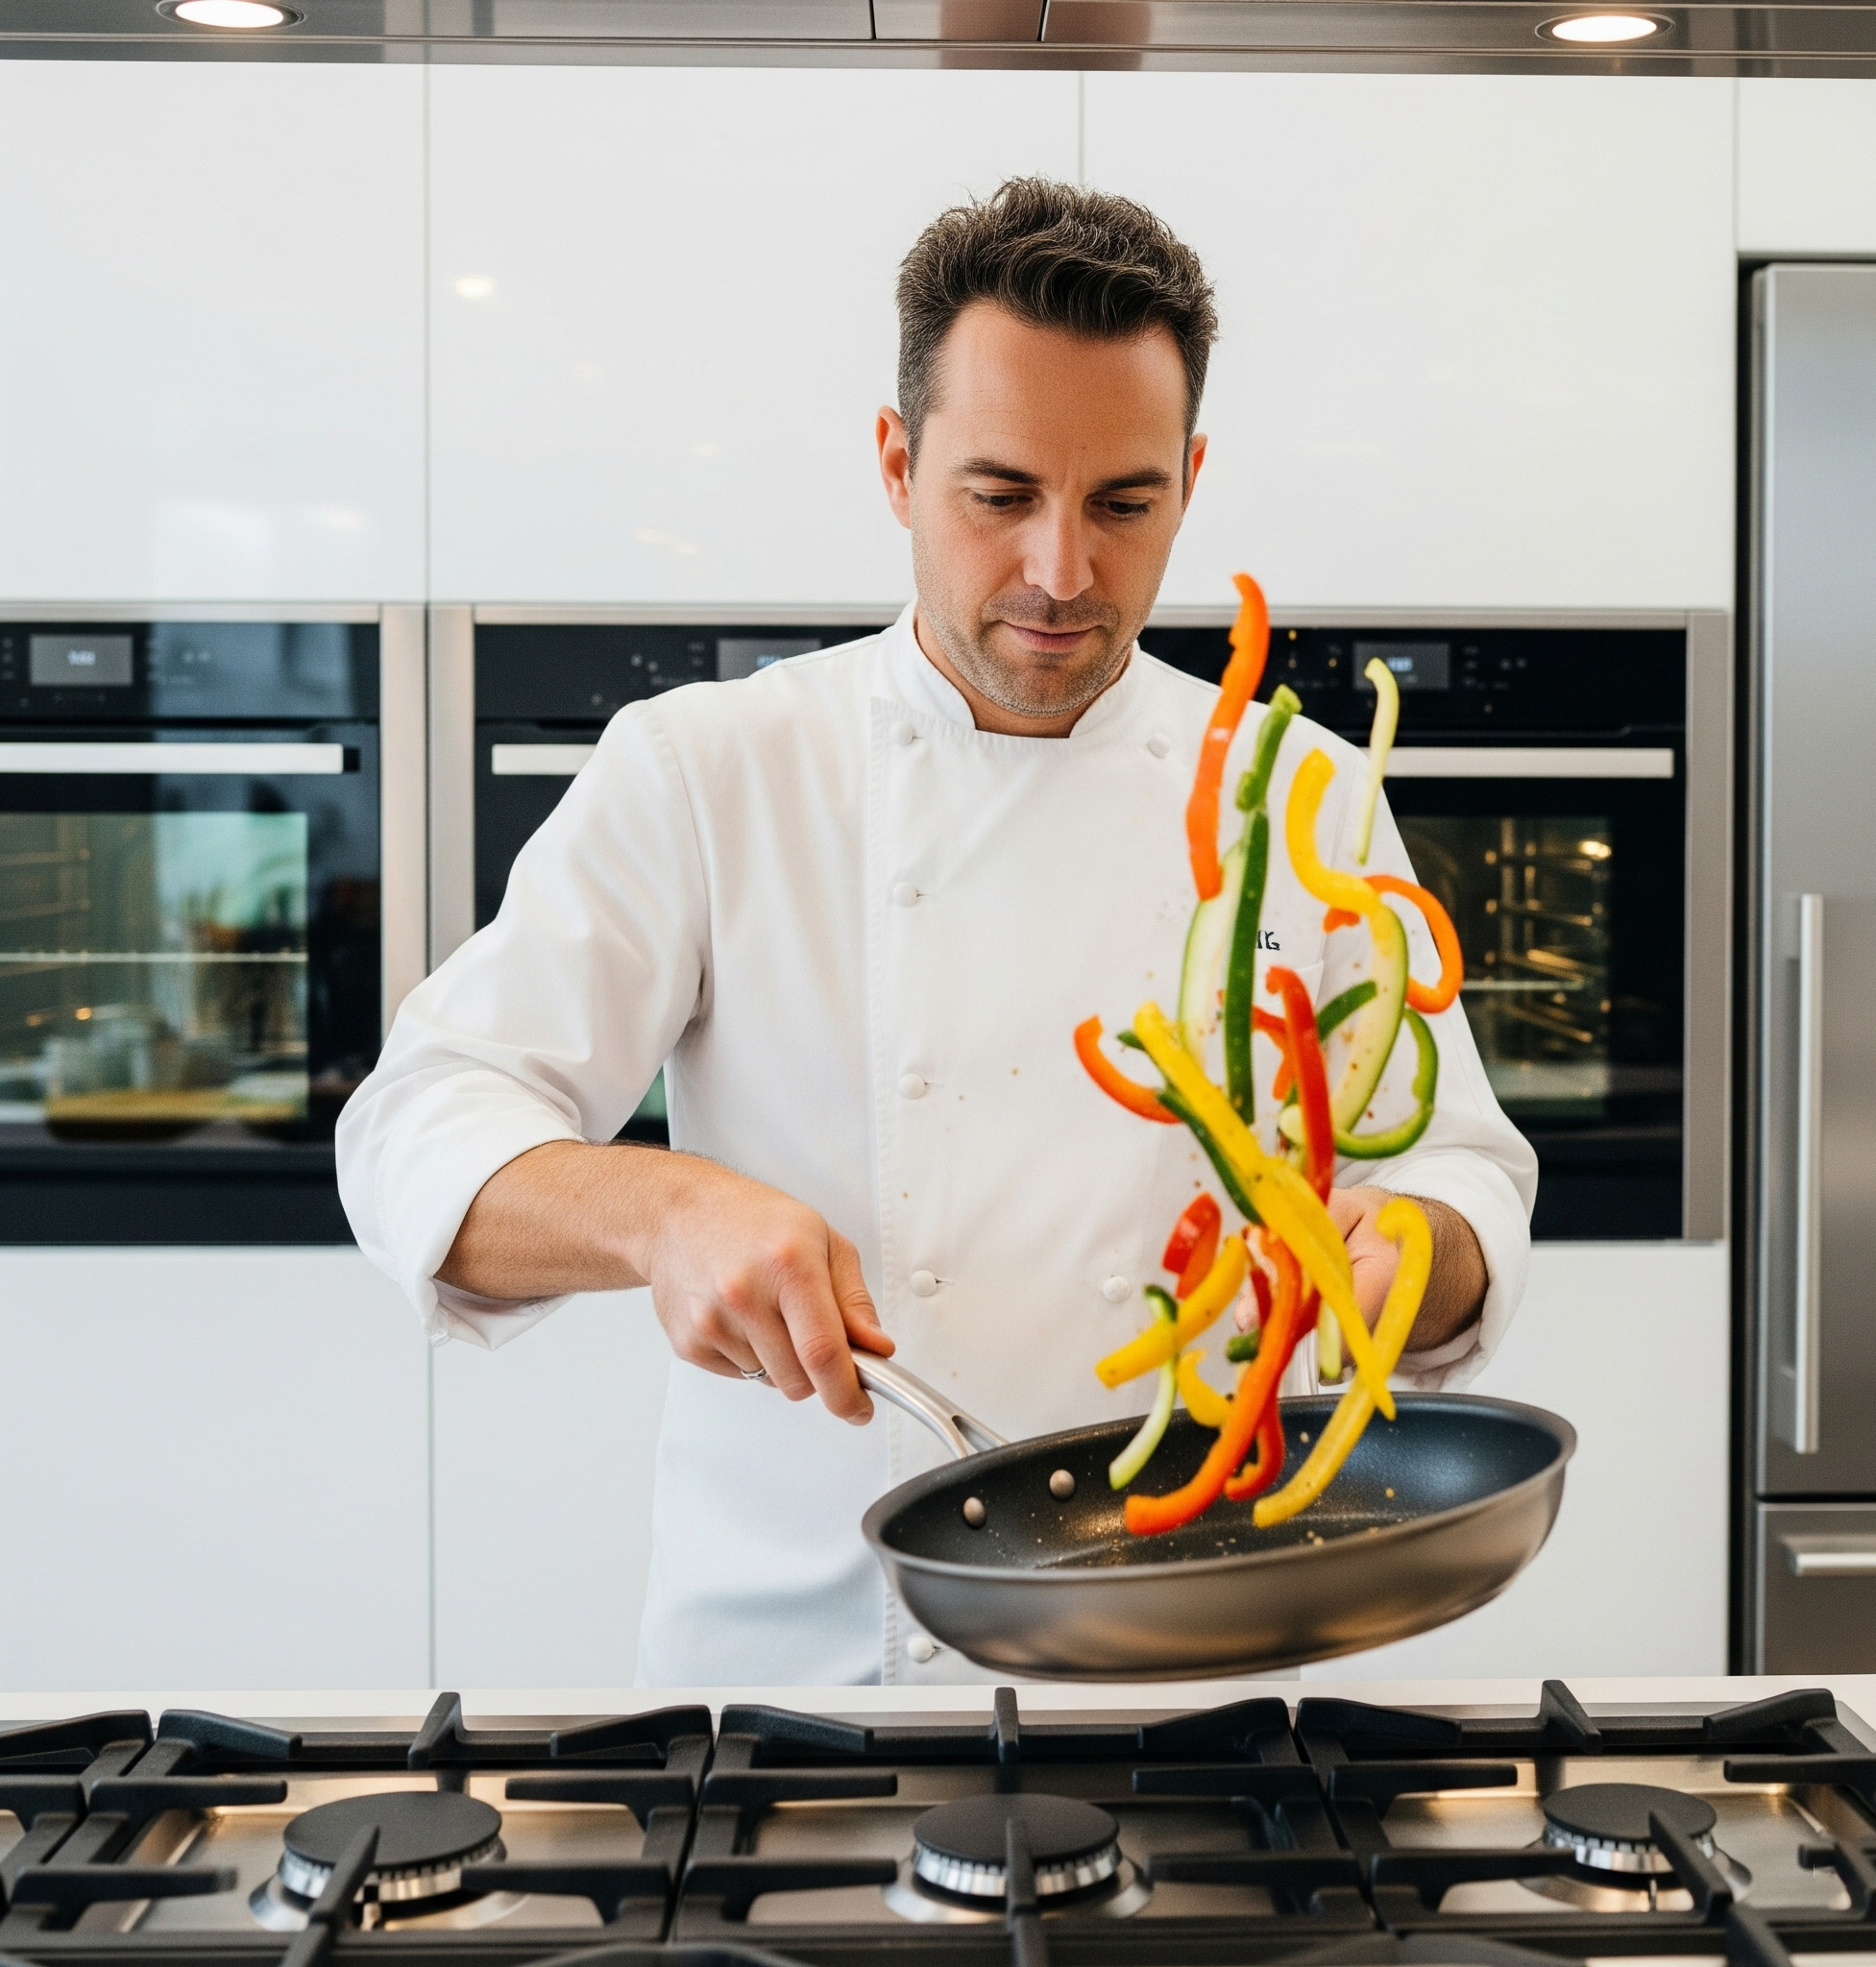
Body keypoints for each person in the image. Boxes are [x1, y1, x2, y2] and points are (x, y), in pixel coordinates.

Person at [337, 178, 1535, 1688]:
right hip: (800, 1684)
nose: (1061, 572)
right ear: (899, 467)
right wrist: (662, 1212)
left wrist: (1416, 1250)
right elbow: (416, 1128)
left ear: (1190, 481)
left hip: (1200, 1669)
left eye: (1124, 505)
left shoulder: (1299, 792)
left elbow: (1459, 1172)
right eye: (998, 495)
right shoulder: (711, 768)